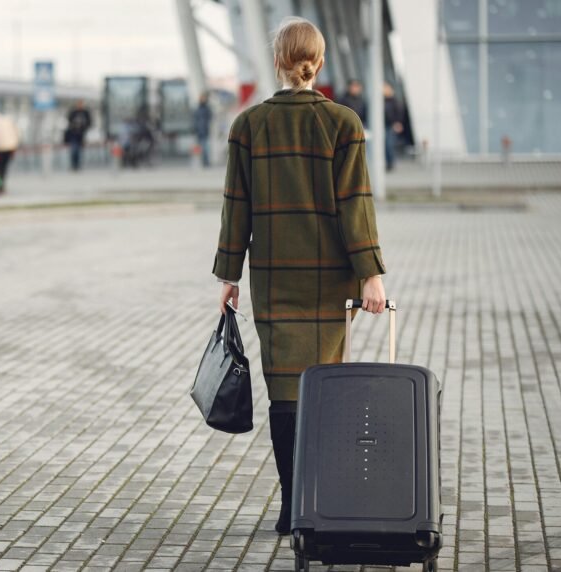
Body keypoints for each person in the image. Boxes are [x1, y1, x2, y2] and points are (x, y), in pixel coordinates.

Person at [213, 16, 387, 535]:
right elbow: (356, 206)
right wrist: (370, 275)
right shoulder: (343, 122)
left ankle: (292, 505)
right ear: (320, 61)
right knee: (324, 389)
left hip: (273, 279)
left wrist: (229, 275)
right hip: (330, 280)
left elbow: (235, 208)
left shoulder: (248, 124)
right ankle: (319, 501)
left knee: (285, 393)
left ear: (277, 61)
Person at [64, 100, 92, 171]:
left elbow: (89, 122)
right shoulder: (73, 112)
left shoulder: (85, 112)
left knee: (79, 150)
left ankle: (77, 164)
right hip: (73, 134)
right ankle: (74, 165)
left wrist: (84, 128)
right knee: (74, 150)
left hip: (81, 134)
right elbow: (69, 120)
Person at [383, 82, 404, 171]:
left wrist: (398, 123)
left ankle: (390, 163)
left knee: (389, 144)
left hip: (392, 125)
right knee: (385, 145)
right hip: (383, 126)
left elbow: (400, 113)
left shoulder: (395, 101)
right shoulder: (380, 101)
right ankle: (387, 163)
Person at [193, 92, 213, 167]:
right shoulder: (197, 109)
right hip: (198, 131)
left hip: (205, 130)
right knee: (201, 147)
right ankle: (202, 161)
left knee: (205, 147)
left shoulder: (207, 109)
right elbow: (195, 119)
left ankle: (206, 162)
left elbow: (210, 118)